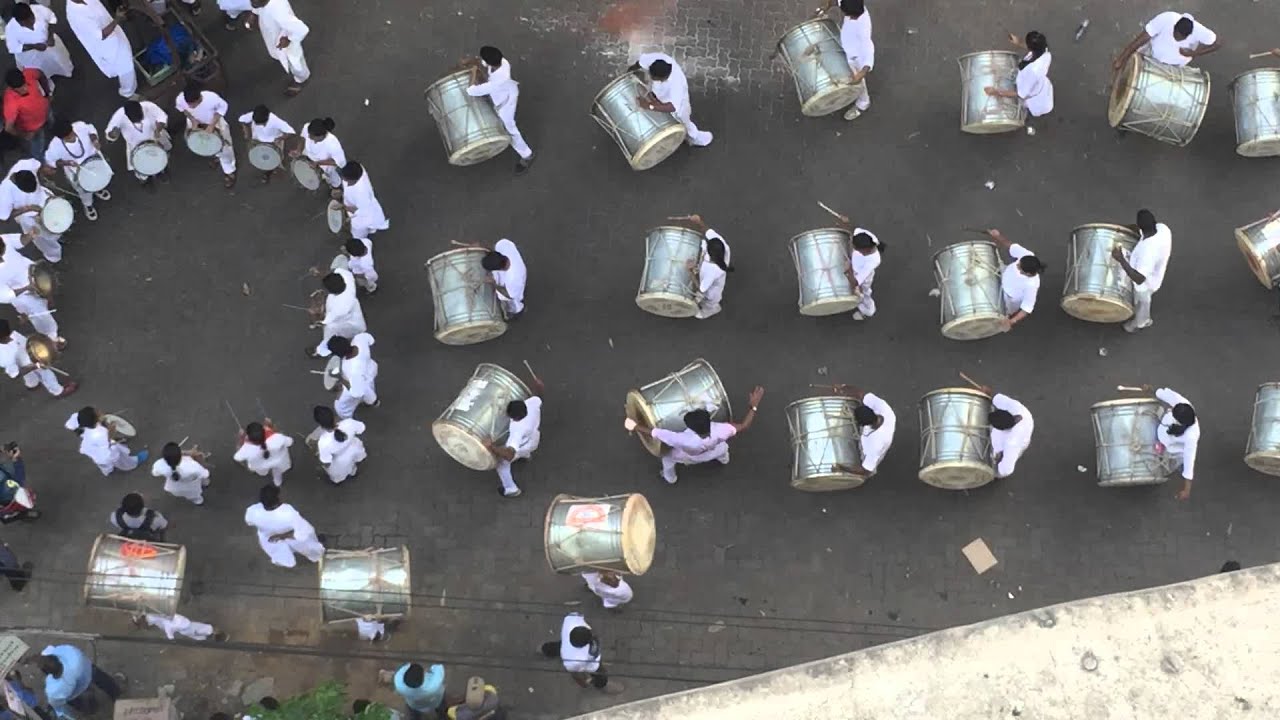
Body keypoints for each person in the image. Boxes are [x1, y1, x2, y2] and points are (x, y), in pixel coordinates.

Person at [626, 386, 765, 485]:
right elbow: (745, 425)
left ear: (691, 428)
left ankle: (670, 479)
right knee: (723, 449)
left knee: (667, 459)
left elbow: (654, 432)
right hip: (713, 450)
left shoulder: (682, 439)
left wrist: (634, 426)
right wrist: (753, 406)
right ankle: (724, 460)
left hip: (688, 456)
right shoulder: (723, 429)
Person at [466, 46, 534, 174]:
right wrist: (474, 62)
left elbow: (471, 91)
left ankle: (527, 155)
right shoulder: (503, 62)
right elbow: (484, 64)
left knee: (511, 130)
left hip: (505, 106)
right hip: (508, 93)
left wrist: (473, 71)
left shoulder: (496, 82)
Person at [1110, 209, 1172, 333]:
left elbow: (1139, 279)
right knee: (1138, 300)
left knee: (1142, 303)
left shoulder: (1147, 252)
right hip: (1149, 270)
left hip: (1146, 284)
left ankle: (1139, 323)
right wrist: (1121, 228)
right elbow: (1137, 229)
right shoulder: (1162, 228)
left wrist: (1121, 259)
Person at [632, 52, 712, 146]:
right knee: (659, 110)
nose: (652, 78)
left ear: (665, 77)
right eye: (651, 75)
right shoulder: (655, 59)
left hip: (678, 105)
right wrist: (630, 73)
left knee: (683, 120)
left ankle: (694, 137)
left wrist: (649, 106)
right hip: (661, 95)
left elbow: (672, 107)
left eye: (656, 78)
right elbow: (639, 64)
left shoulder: (676, 85)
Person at [483, 374, 544, 498]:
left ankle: (511, 489)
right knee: (525, 449)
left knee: (501, 464)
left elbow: (509, 455)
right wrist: (538, 387)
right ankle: (525, 456)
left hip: (522, 444)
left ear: (514, 417)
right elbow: (538, 396)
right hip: (533, 439)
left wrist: (491, 447)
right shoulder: (531, 405)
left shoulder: (517, 430)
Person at [65, 0, 136, 99]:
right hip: (107, 45)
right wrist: (117, 19)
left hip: (113, 32)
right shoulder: (75, 15)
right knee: (125, 68)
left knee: (126, 56)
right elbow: (100, 35)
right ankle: (128, 92)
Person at [43, 118, 111, 221]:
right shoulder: (54, 147)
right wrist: (66, 163)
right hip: (77, 171)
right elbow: (52, 162)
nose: (72, 137)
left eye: (72, 133)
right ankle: (88, 205)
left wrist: (94, 140)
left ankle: (98, 189)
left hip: (93, 161)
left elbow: (91, 131)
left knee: (99, 178)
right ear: (61, 138)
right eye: (68, 137)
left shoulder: (80, 126)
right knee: (84, 192)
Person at [243, 483, 325, 567]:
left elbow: (249, 522)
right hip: (290, 536)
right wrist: (282, 536)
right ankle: (315, 556)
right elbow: (303, 531)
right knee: (307, 543)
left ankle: (288, 562)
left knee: (283, 556)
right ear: (277, 500)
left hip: (269, 539)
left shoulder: (252, 511)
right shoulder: (287, 511)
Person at [0, 238, 63, 346]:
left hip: (33, 272)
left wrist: (30, 234)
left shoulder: (3, 240)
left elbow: (18, 240)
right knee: (40, 316)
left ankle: (48, 298)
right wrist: (27, 287)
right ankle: (51, 337)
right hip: (23, 295)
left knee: (48, 288)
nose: (5, 251)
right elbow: (5, 296)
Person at [539, 613, 619, 693]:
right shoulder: (575, 661)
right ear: (583, 645)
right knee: (600, 675)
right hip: (592, 665)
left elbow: (579, 616)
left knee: (557, 647)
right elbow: (575, 673)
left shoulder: (570, 620)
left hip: (565, 644)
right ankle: (602, 684)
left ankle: (545, 650)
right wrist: (582, 682)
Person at [37, 644, 123, 718]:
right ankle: (116, 693)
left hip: (75, 693)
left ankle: (92, 710)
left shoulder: (54, 690)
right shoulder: (73, 657)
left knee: (81, 703)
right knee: (103, 680)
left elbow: (60, 708)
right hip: (87, 674)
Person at [0, 161, 62, 263]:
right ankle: (54, 257)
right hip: (28, 217)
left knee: (58, 223)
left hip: (44, 199)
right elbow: (5, 217)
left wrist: (44, 179)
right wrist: (27, 209)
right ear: (17, 185)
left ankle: (57, 236)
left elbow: (39, 167)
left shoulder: (25, 164)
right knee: (43, 240)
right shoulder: (4, 193)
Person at [1114, 11, 1219, 70]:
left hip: (1173, 66)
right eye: (1175, 35)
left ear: (1189, 35)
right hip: (1151, 51)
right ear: (1174, 27)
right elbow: (1139, 40)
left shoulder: (1201, 32)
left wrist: (1194, 53)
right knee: (1128, 68)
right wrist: (1121, 59)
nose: (1176, 39)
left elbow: (1219, 43)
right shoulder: (1166, 18)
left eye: (1180, 38)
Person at [175, 87, 236, 188]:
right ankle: (216, 156)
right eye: (189, 104)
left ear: (200, 98)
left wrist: (212, 125)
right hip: (196, 123)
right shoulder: (180, 99)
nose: (191, 106)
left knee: (225, 149)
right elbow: (183, 110)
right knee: (205, 144)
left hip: (214, 123)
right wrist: (192, 120)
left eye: (193, 104)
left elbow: (221, 110)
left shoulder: (212, 98)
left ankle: (229, 171)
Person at [5, 3, 74, 90]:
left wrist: (50, 36)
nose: (29, 24)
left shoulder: (39, 10)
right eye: (25, 24)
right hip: (31, 54)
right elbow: (13, 48)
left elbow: (52, 20)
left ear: (32, 13)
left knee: (59, 59)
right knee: (38, 70)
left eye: (31, 20)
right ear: (18, 21)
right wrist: (34, 46)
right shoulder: (10, 28)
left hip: (49, 44)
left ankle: (66, 71)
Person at [985, 31, 1053, 119]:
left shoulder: (1033, 72)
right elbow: (1033, 49)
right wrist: (1018, 42)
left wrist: (996, 92)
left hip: (1033, 95)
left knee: (1025, 103)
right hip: (1038, 84)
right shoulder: (1045, 52)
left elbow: (1020, 94)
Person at [833, 384, 896, 478]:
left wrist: (842, 468)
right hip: (868, 438)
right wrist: (845, 388)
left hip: (868, 455)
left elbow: (866, 470)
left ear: (863, 425)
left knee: (865, 469)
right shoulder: (883, 409)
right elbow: (861, 394)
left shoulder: (876, 444)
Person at [0, 319, 75, 397]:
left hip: (26, 356)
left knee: (29, 375)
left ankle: (32, 384)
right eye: (8, 334)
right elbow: (16, 374)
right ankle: (58, 391)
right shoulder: (4, 356)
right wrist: (36, 366)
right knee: (46, 373)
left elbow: (23, 341)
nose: (11, 334)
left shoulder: (11, 335)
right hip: (29, 363)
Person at [988, 228, 1044, 332]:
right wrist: (997, 236)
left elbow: (1026, 309)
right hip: (1003, 274)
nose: (1017, 264)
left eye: (1019, 266)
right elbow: (1010, 245)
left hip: (1007, 299)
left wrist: (1011, 321)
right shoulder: (1027, 255)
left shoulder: (1031, 285)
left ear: (1027, 273)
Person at [249, 0, 310, 95]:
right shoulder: (262, 3)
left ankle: (300, 80)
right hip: (273, 33)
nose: (251, 2)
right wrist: (254, 13)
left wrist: (289, 39)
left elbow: (302, 29)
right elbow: (257, 6)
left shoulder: (279, 11)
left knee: (296, 62)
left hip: (285, 42)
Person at [105, 99, 171, 184]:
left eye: (140, 118)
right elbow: (109, 138)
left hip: (154, 139)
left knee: (160, 159)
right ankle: (144, 179)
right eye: (136, 121)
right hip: (135, 147)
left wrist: (158, 130)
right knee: (141, 167)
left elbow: (162, 117)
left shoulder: (149, 106)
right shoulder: (119, 116)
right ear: (127, 116)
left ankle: (160, 172)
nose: (139, 121)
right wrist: (113, 135)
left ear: (141, 108)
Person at [974, 384, 1034, 478]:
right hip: (1018, 430)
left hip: (1018, 442)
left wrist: (992, 471)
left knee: (998, 458)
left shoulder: (1012, 443)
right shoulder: (1016, 408)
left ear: (1001, 429)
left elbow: (1007, 470)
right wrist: (987, 392)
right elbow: (997, 398)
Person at [65, 407, 147, 476]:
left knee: (102, 463)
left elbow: (69, 425)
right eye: (98, 412)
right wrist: (111, 432)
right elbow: (107, 444)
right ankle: (133, 463)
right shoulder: (101, 433)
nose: (100, 411)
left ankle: (108, 470)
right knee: (119, 458)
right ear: (96, 420)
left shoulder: (79, 419)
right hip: (106, 453)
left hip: (92, 450)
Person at [827, 0, 873, 121]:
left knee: (859, 83)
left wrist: (861, 73)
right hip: (848, 46)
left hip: (856, 58)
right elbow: (836, 2)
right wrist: (825, 8)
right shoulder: (854, 4)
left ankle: (863, 103)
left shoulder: (863, 28)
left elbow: (869, 51)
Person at [681, 214, 732, 319]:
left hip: (711, 294)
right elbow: (707, 231)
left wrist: (690, 270)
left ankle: (710, 310)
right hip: (707, 275)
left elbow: (701, 289)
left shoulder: (713, 271)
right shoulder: (720, 243)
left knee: (709, 301)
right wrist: (698, 221)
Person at [307, 268, 366, 358]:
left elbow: (323, 320)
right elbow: (333, 272)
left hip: (344, 321)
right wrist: (320, 273)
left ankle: (320, 351)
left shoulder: (340, 308)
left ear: (330, 291)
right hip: (354, 311)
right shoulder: (346, 276)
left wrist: (313, 313)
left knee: (330, 338)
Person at [1154, 386, 1199, 500]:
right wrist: (1152, 390)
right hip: (1162, 435)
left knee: (1180, 464)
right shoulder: (1182, 404)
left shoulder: (1191, 437)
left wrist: (1186, 490)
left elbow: (1189, 462)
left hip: (1173, 450)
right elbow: (1164, 394)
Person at [835, 213, 882, 320]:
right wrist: (845, 223)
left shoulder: (873, 261)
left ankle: (868, 311)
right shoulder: (863, 235)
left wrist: (849, 269)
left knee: (864, 294)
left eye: (856, 248)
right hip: (852, 267)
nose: (854, 248)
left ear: (865, 250)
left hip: (861, 278)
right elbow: (853, 231)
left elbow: (855, 282)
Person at [238, 104, 295, 184]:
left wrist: (280, 138)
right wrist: (246, 132)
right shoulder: (253, 115)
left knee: (273, 160)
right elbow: (241, 120)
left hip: (273, 143)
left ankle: (268, 172)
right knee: (260, 158)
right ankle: (268, 168)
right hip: (257, 140)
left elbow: (291, 132)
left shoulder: (276, 121)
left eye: (261, 124)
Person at [3, 67, 51, 159]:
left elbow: (40, 74)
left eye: (24, 84)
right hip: (33, 128)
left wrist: (48, 93)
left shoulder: (29, 73)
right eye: (20, 88)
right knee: (37, 146)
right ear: (12, 88)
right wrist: (25, 135)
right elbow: (8, 128)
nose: (25, 88)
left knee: (51, 121)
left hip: (46, 109)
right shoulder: (10, 102)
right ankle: (38, 159)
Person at [327, 333, 378, 419]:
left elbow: (357, 390)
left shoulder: (350, 369)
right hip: (371, 368)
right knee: (369, 385)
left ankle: (372, 402)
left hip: (361, 380)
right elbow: (371, 340)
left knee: (341, 405)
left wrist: (339, 377)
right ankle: (370, 401)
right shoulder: (359, 339)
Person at [313, 405, 366, 484]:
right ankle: (353, 472)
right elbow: (361, 428)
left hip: (340, 460)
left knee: (342, 470)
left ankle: (349, 474)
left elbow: (326, 461)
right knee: (353, 463)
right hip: (354, 448)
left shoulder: (323, 442)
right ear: (334, 417)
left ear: (321, 426)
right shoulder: (349, 422)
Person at [233, 420, 294, 486]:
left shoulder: (247, 449)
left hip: (261, 465)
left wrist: (240, 438)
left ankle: (269, 477)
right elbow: (290, 442)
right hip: (278, 461)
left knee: (262, 471)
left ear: (249, 437)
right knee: (277, 472)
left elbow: (237, 457)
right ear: (264, 431)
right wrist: (271, 427)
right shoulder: (277, 438)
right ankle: (278, 483)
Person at [339, 161, 389, 242]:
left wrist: (343, 207)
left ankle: (361, 243)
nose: (342, 178)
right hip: (355, 207)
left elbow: (360, 211)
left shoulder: (361, 194)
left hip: (361, 218)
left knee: (358, 235)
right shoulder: (357, 169)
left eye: (344, 178)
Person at [479, 239, 526, 319]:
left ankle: (514, 312)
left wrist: (493, 283)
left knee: (509, 301)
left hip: (513, 289)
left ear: (500, 269)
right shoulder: (503, 245)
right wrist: (482, 247)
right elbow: (492, 250)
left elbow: (509, 295)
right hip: (508, 273)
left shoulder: (514, 279)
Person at [295, 118, 345, 190]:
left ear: (321, 136)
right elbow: (303, 138)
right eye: (309, 134)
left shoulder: (333, 144)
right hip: (309, 154)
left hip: (325, 165)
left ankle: (336, 187)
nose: (309, 136)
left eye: (312, 136)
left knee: (333, 179)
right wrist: (298, 150)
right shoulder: (307, 127)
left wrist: (318, 163)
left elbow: (338, 162)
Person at [132, 612, 226, 641]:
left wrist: (170, 637)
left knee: (206, 629)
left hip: (183, 624)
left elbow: (167, 624)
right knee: (199, 636)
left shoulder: (154, 618)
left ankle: (222, 635)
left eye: (140, 624)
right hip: (182, 628)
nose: (141, 627)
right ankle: (210, 636)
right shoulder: (150, 618)